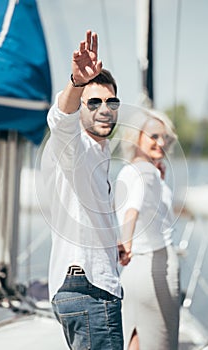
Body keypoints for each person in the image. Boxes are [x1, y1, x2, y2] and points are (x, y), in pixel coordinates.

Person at [41, 30, 129, 350]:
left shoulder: (99, 153)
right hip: (89, 290)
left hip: (78, 285)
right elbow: (60, 121)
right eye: (93, 102)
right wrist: (76, 83)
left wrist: (111, 244)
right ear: (81, 107)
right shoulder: (76, 148)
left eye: (111, 101)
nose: (104, 109)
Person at [114, 109, 180, 350]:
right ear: (136, 137)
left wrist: (161, 182)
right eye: (154, 136)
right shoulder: (148, 172)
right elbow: (133, 209)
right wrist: (126, 243)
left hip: (131, 274)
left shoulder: (127, 170)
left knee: (134, 339)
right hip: (158, 268)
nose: (161, 143)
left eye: (166, 138)